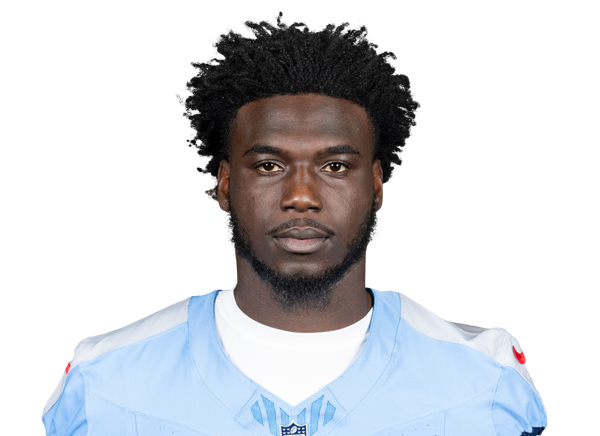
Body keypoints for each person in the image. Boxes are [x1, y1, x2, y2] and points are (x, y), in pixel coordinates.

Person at [42, 14, 548, 436]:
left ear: (376, 184)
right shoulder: (104, 384)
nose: (301, 197)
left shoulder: (486, 383)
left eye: (335, 166)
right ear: (224, 184)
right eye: (269, 165)